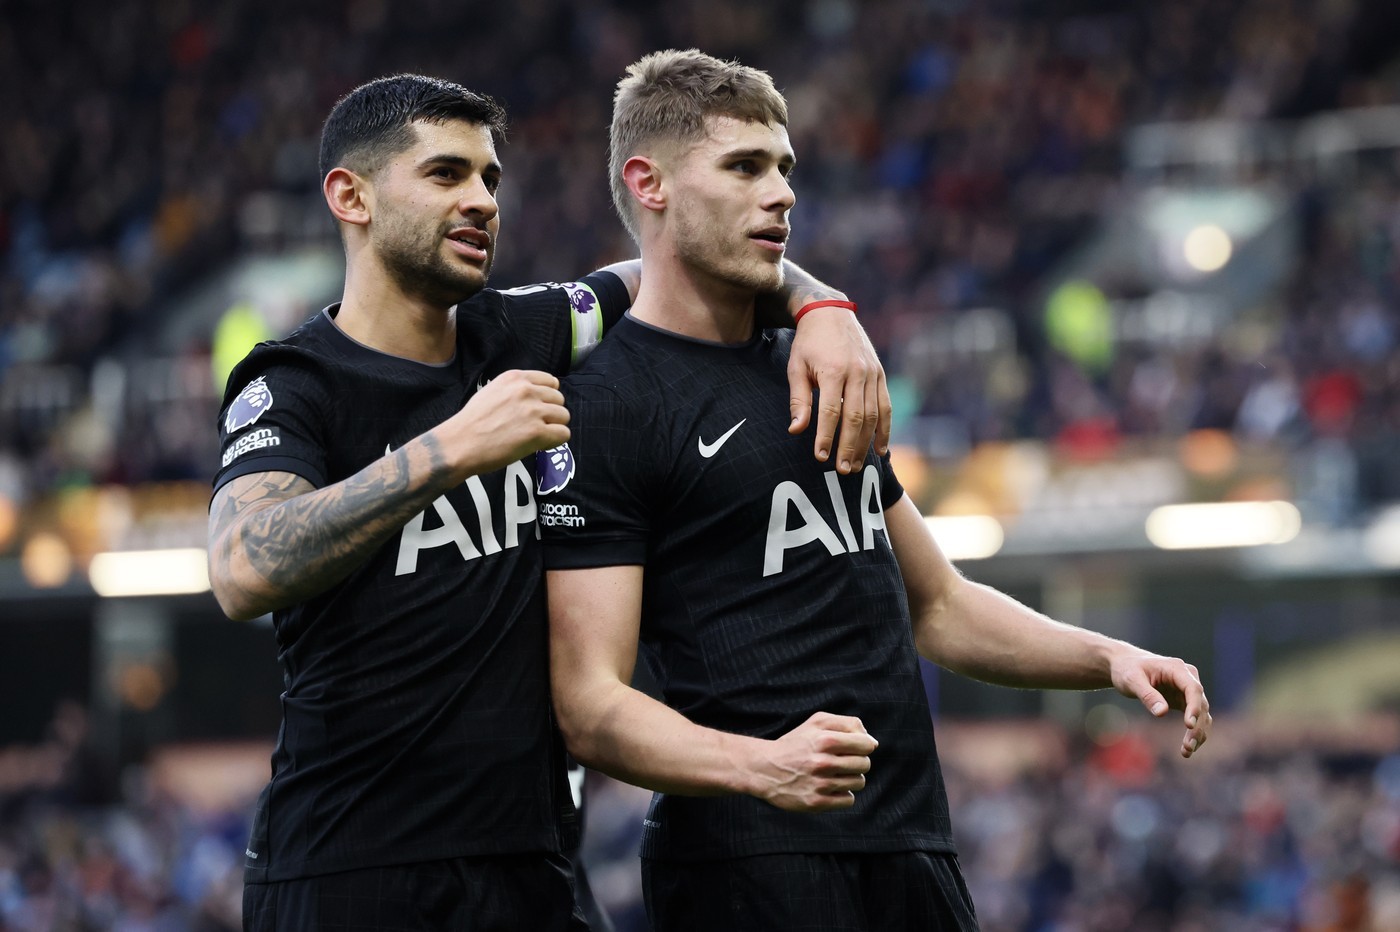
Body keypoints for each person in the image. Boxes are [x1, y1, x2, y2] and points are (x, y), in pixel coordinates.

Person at [540, 49, 1214, 932]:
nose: (781, 194)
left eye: (784, 168)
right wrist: (762, 767)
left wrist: (1108, 659)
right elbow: (590, 706)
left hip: (912, 846)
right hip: (747, 860)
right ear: (649, 184)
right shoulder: (605, 406)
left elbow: (939, 604)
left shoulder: (822, 368)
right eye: (744, 167)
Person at [207, 73, 889, 931]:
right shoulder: (294, 383)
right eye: (446, 174)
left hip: (535, 868)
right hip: (351, 869)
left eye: (490, 178)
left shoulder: (523, 331)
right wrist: (449, 449)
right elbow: (243, 570)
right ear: (352, 197)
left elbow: (677, 259)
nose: (482, 200)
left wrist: (823, 306)